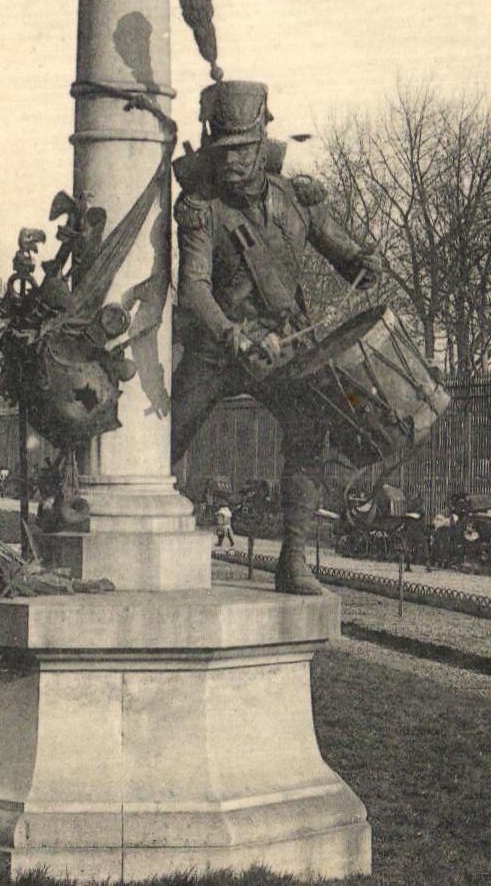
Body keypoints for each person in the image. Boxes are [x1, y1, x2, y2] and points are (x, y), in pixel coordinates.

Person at [173, 78, 382, 595]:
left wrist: (365, 262)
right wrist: (232, 335)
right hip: (218, 349)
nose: (233, 162)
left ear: (261, 140)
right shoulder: (201, 209)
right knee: (165, 437)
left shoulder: (297, 200)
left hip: (283, 345)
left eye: (243, 149)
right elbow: (194, 290)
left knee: (310, 434)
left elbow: (345, 253)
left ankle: (293, 563)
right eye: (223, 150)